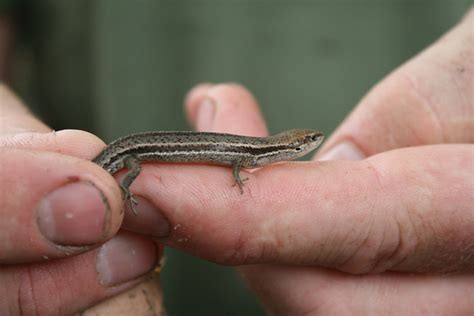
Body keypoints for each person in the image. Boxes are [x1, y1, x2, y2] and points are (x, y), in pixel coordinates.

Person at [0, 7, 472, 316]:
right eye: (307, 142)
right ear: (288, 148)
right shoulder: (248, 157)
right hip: (128, 151)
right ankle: (118, 191)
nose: (312, 145)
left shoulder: (254, 155)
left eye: (310, 143)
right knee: (126, 178)